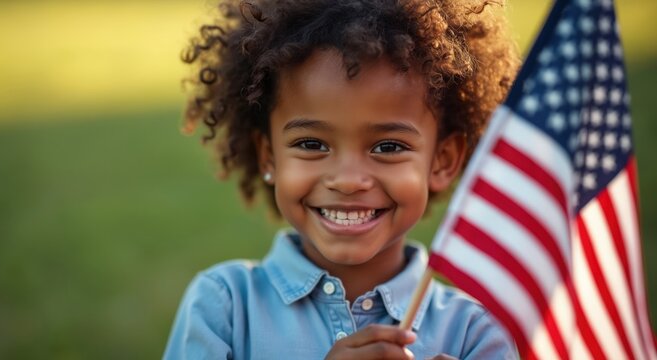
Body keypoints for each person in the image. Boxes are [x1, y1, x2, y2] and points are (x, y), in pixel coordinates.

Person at [165, 0, 520, 358]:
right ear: (269, 155)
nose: (348, 181)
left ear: (442, 161)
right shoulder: (224, 307)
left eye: (388, 146)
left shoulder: (473, 334)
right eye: (311, 144)